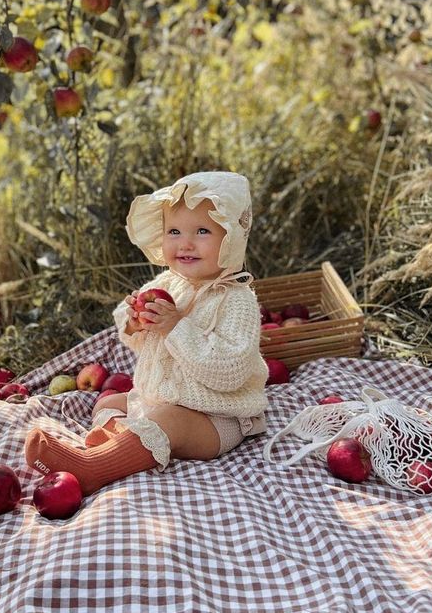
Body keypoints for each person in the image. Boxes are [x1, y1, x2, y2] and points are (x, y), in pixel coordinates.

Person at [24, 171, 268, 494]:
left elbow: (230, 371)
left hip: (214, 416)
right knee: (108, 402)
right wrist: (134, 320)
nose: (185, 243)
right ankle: (114, 445)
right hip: (154, 399)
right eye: (175, 231)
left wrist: (176, 327)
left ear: (233, 239)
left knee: (169, 420)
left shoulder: (237, 301)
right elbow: (130, 333)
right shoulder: (167, 283)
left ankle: (94, 467)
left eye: (202, 231)